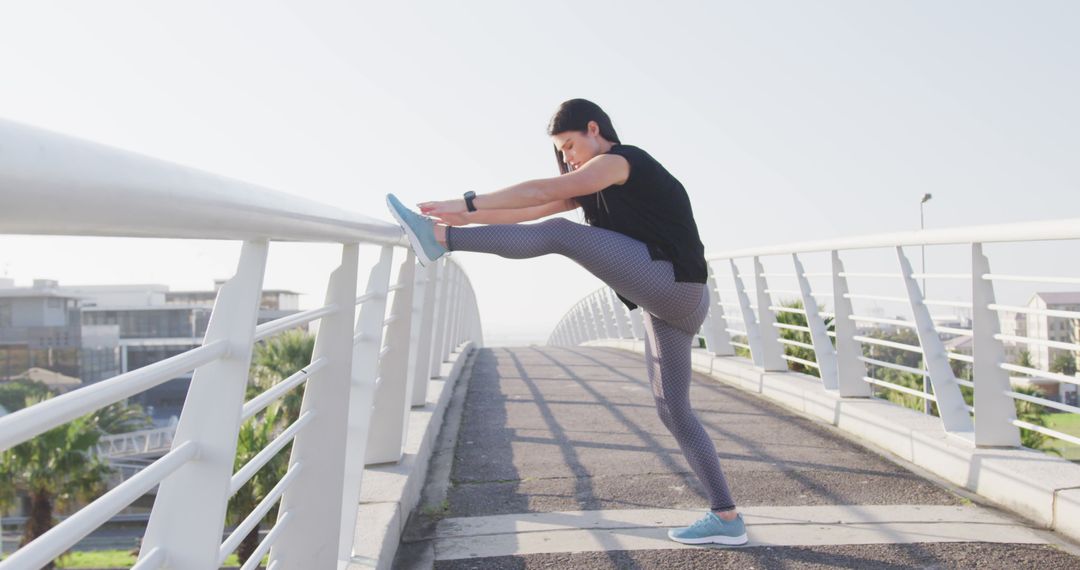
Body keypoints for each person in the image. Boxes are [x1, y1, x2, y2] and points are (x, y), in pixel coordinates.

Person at [385, 98, 747, 546]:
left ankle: (440, 243)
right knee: (672, 408)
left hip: (672, 284)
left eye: (570, 146)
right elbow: (528, 210)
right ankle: (726, 516)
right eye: (561, 151)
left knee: (562, 234)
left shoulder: (621, 162)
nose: (567, 158)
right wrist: (463, 214)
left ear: (594, 129)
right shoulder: (592, 183)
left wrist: (461, 210)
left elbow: (541, 199)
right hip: (675, 299)